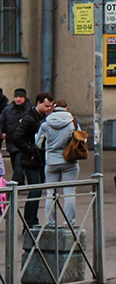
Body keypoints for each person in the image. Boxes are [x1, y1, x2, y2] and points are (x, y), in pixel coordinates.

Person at [9, 91, 52, 228]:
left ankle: (33, 221)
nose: (48, 109)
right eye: (46, 106)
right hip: (30, 159)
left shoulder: (42, 118)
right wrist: (31, 151)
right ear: (39, 103)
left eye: (50, 106)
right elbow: (17, 138)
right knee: (35, 190)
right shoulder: (29, 118)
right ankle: (29, 223)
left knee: (37, 190)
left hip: (39, 159)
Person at [37, 99, 80, 227]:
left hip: (51, 162)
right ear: (66, 108)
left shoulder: (46, 123)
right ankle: (69, 223)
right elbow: (81, 139)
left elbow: (38, 143)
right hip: (70, 161)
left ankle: (50, 223)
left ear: (54, 108)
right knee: (69, 193)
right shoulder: (73, 122)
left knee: (51, 193)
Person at [2, 88, 30, 187]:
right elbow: (2, 122)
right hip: (11, 140)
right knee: (14, 162)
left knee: (19, 163)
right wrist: (3, 132)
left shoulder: (29, 110)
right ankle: (20, 182)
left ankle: (15, 183)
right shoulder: (8, 110)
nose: (18, 99)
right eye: (16, 97)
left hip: (23, 141)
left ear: (24, 98)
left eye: (20, 97)